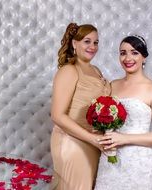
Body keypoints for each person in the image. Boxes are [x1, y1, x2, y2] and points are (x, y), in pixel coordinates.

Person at [94, 35, 152, 190]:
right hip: (109, 160)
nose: (127, 58)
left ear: (144, 57)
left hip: (138, 163)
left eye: (134, 52)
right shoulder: (112, 85)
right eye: (123, 52)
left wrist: (125, 138)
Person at [50, 23, 111, 190]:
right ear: (74, 43)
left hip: (94, 142)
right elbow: (57, 115)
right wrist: (92, 138)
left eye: (96, 42)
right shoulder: (69, 71)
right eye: (87, 41)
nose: (92, 46)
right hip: (72, 142)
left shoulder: (96, 70)